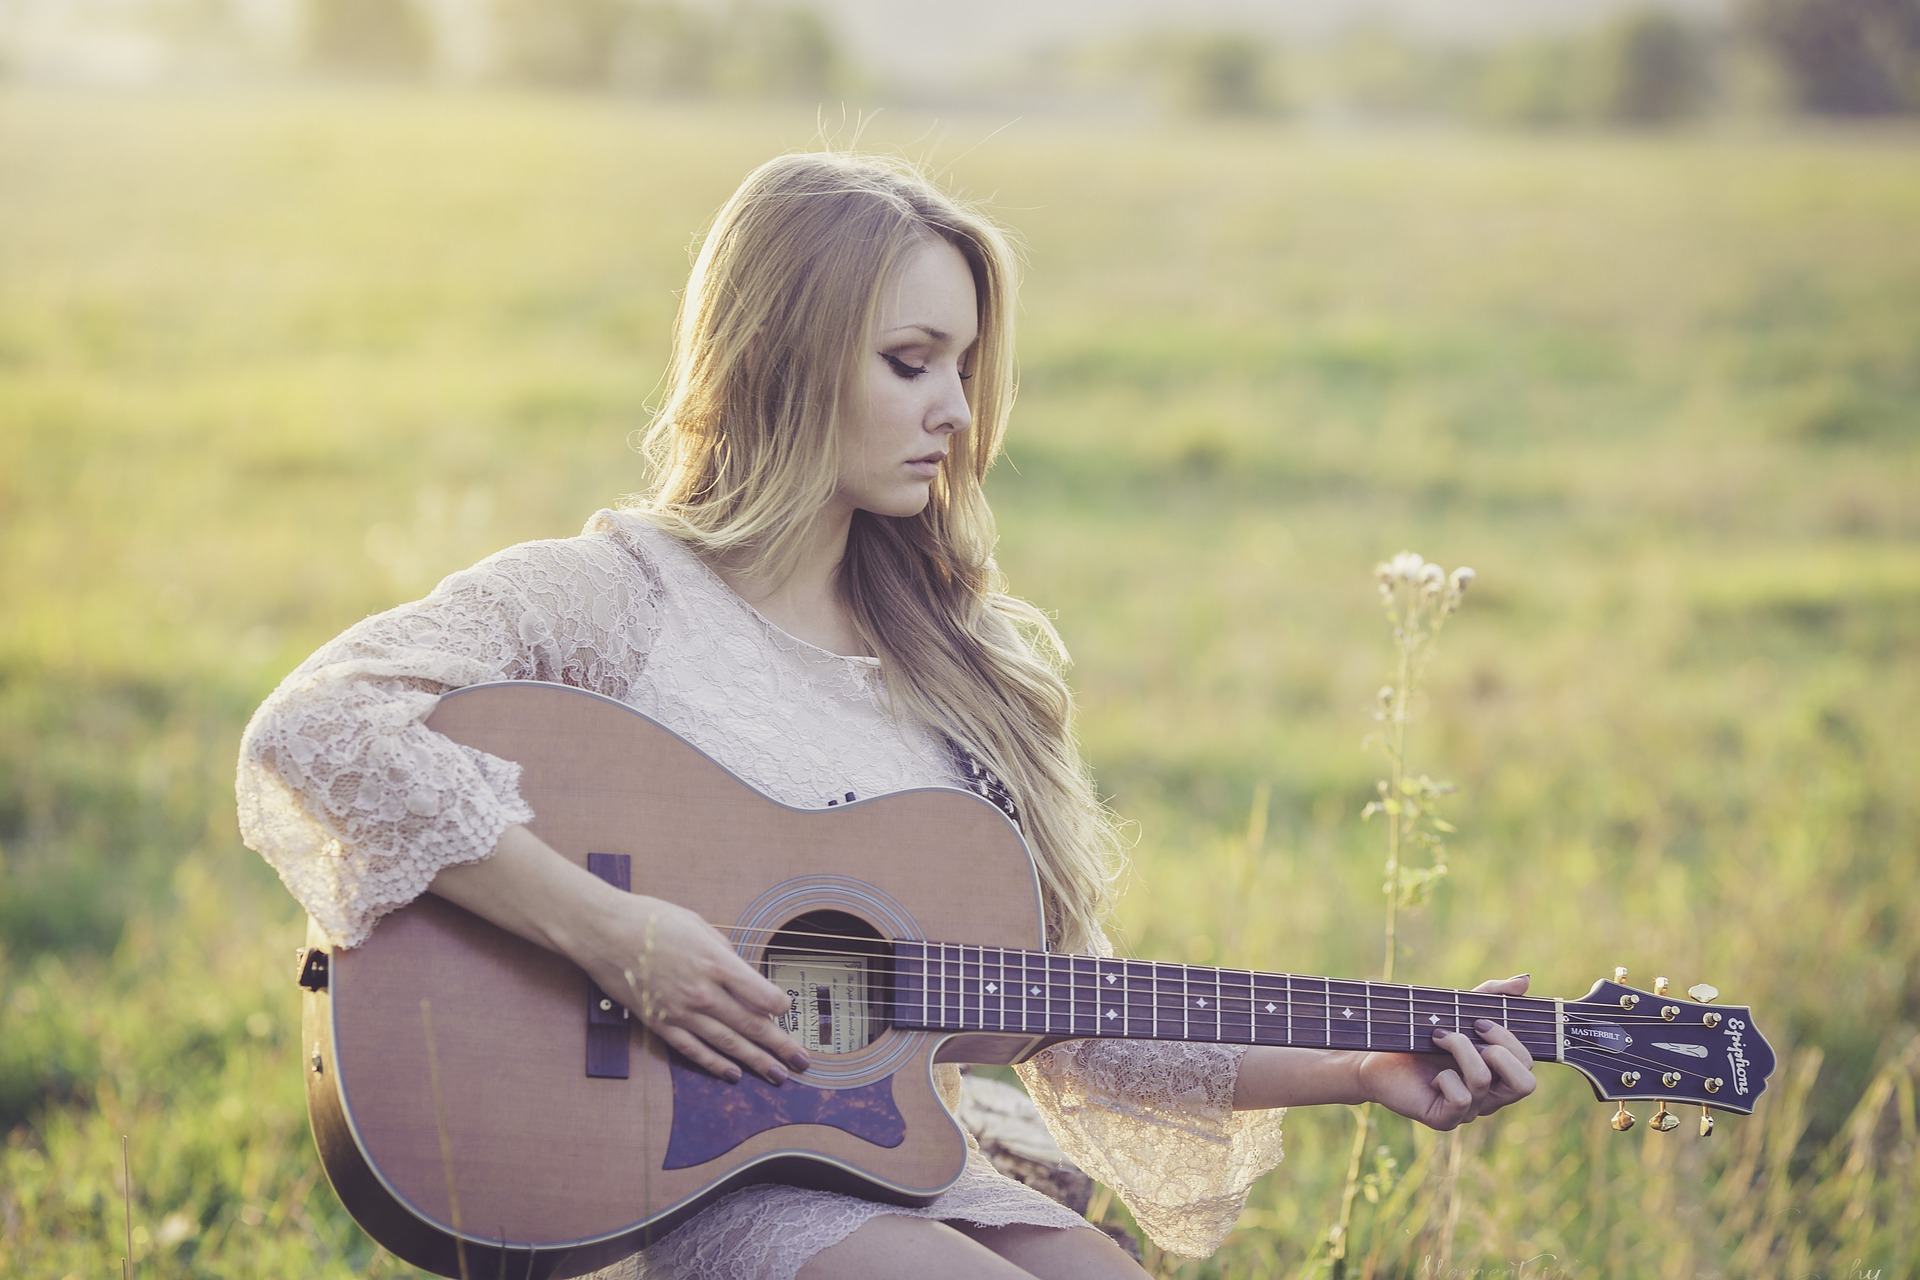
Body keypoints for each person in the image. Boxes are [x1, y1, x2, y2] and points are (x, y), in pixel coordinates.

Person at [235, 150, 1537, 1280]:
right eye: (913, 363)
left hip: (874, 1165)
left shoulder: (968, 666)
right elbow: (315, 731)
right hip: (663, 1185)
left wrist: (1364, 1065)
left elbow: (1061, 1018)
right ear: (782, 360)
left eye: (967, 368)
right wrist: (616, 935)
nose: (958, 413)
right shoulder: (611, 598)